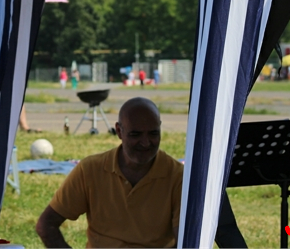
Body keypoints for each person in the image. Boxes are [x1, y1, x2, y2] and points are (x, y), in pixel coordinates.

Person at [36, 97, 182, 248]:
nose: (145, 142)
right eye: (135, 134)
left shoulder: (178, 176)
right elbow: (46, 225)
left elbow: (186, 241)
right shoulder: (90, 170)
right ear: (119, 131)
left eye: (153, 133)